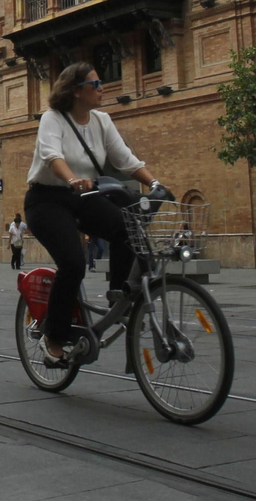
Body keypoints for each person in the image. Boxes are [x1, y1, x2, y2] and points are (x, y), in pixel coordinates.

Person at [25, 61, 167, 368]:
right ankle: (54, 337)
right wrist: (72, 179)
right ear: (77, 91)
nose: (102, 89)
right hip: (47, 199)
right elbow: (52, 156)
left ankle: (120, 296)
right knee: (73, 262)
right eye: (96, 84)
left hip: (86, 195)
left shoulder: (102, 121)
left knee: (127, 227)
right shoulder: (53, 119)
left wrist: (155, 184)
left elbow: (126, 159)